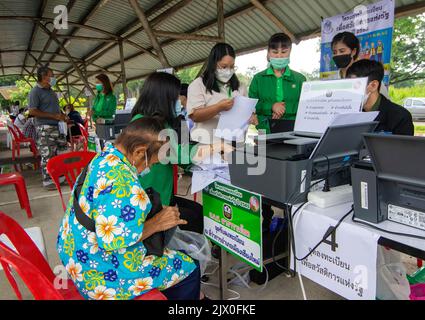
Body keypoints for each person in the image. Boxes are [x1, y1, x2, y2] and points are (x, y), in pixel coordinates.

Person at [57, 117, 201, 300]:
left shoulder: (103, 157)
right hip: (98, 276)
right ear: (140, 152)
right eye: (154, 162)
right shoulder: (127, 186)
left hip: (72, 253)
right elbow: (113, 242)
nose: (151, 167)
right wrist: (157, 223)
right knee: (189, 265)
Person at [132, 72, 213, 235]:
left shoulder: (164, 122)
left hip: (163, 195)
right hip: (148, 204)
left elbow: (178, 155)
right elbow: (178, 154)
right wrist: (212, 148)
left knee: (199, 211)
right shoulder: (144, 124)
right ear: (162, 97)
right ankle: (183, 256)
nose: (179, 102)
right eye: (175, 97)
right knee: (196, 219)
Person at [187, 43, 257, 144]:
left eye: (232, 66)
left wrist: (251, 116)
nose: (228, 71)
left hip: (235, 143)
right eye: (224, 67)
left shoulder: (240, 86)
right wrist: (218, 107)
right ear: (213, 63)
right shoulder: (198, 85)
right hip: (208, 144)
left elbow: (249, 111)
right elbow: (195, 116)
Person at [249, 33, 306, 134]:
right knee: (263, 150)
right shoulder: (258, 78)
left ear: (290, 51)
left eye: (284, 52)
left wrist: (283, 109)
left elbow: (306, 106)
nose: (279, 56)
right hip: (263, 129)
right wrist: (272, 106)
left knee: (291, 150)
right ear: (268, 53)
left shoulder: (300, 79)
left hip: (294, 131)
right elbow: (252, 106)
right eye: (275, 52)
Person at [346, 59, 414, 136]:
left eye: (354, 85)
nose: (349, 91)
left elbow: (403, 147)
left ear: (373, 85)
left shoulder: (400, 117)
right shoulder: (348, 114)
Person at [28, 66, 68, 189]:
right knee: (48, 154)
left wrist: (61, 116)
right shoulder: (35, 92)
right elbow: (32, 111)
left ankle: (60, 178)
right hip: (45, 127)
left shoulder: (51, 91)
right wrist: (53, 116)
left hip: (58, 127)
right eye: (51, 75)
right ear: (44, 77)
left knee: (59, 153)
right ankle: (48, 181)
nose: (53, 78)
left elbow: (53, 108)